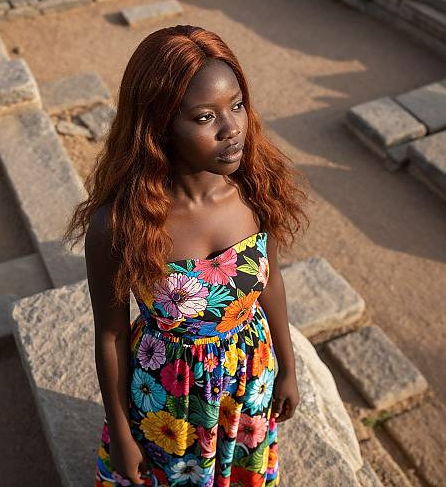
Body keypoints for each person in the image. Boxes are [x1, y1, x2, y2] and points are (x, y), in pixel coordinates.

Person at [63, 24, 310, 487]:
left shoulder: (255, 189)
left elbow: (270, 283)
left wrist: (288, 368)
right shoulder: (120, 224)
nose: (232, 128)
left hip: (248, 382)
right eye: (204, 117)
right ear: (157, 125)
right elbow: (111, 335)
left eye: (236, 104)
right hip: (169, 399)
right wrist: (120, 431)